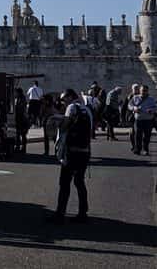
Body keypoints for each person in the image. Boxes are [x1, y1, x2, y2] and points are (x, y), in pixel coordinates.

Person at [50, 88, 92, 223]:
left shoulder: (71, 108)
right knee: (79, 182)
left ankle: (60, 214)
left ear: (70, 97)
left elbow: (65, 127)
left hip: (71, 151)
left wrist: (57, 121)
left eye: (64, 99)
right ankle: (83, 213)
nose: (62, 102)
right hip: (85, 151)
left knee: (64, 183)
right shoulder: (87, 110)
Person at [132, 84, 157, 155]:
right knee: (138, 135)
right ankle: (137, 149)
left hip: (148, 120)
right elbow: (130, 105)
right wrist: (134, 108)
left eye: (145, 91)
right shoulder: (135, 98)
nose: (143, 92)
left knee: (147, 136)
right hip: (138, 120)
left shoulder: (151, 99)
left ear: (147, 91)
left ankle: (145, 149)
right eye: (142, 90)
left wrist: (151, 110)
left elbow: (156, 108)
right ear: (140, 91)